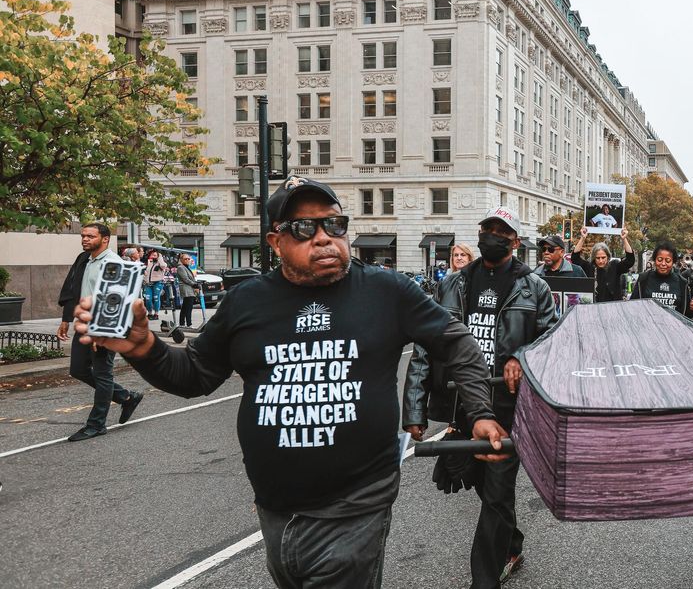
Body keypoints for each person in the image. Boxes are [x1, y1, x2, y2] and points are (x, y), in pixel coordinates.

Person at [73, 176, 508, 588]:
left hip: (357, 505)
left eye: (334, 224)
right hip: (275, 508)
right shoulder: (247, 300)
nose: (324, 237)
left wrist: (479, 413)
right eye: (303, 228)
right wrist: (146, 347)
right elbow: (196, 376)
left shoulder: (387, 290)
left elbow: (456, 344)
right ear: (275, 241)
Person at [431, 206, 558, 588]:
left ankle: (484, 579)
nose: (492, 235)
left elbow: (552, 339)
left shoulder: (533, 286)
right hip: (466, 404)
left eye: (501, 231)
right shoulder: (454, 284)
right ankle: (514, 543)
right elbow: (429, 344)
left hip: (512, 407)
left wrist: (520, 356)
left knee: (498, 490)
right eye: (487, 228)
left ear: (515, 242)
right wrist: (417, 409)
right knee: (485, 486)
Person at [56, 223, 144, 442]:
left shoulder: (114, 263)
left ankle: (96, 425)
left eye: (90, 236)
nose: (85, 239)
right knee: (78, 369)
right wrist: (66, 319)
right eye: (83, 235)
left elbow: (118, 302)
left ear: (105, 239)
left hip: (106, 327)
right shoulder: (83, 259)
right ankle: (126, 396)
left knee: (103, 373)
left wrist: (102, 332)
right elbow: (72, 289)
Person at [570, 226, 635, 302]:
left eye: (603, 257)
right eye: (598, 258)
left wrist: (624, 239)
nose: (601, 261)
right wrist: (583, 238)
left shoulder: (615, 266)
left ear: (608, 256)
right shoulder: (589, 267)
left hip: (613, 307)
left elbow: (630, 261)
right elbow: (575, 258)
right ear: (594, 257)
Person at [631, 240, 692, 316]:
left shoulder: (682, 282)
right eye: (659, 259)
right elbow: (632, 306)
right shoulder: (643, 279)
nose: (663, 264)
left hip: (673, 326)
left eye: (668, 260)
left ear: (673, 262)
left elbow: (687, 313)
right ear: (655, 260)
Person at [174, 253, 199, 328]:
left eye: (188, 259)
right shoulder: (181, 267)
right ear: (181, 260)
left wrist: (195, 285)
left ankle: (182, 323)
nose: (187, 260)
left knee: (185, 307)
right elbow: (185, 279)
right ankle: (189, 324)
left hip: (190, 289)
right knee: (188, 307)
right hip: (186, 289)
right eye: (185, 259)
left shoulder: (187, 267)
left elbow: (190, 278)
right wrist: (194, 284)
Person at [143, 249, 167, 316]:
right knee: (148, 298)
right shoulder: (149, 264)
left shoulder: (162, 264)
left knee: (156, 298)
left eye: (155, 255)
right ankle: (150, 313)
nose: (153, 256)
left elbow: (163, 266)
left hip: (158, 283)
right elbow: (147, 273)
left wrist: (160, 257)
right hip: (148, 283)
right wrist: (144, 279)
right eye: (152, 255)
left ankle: (156, 313)